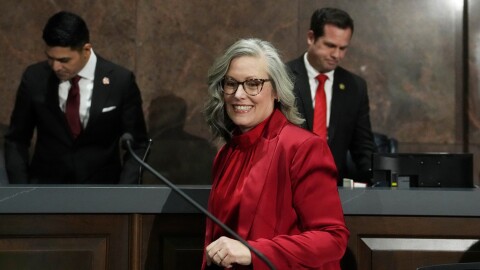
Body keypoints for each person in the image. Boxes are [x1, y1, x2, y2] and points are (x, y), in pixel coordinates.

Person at [202, 38, 349, 269]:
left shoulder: (303, 148)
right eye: (231, 83)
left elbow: (332, 239)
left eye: (253, 83)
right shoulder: (226, 153)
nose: (239, 94)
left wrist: (253, 252)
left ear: (277, 92)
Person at [4, 11, 148, 184]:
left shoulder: (120, 81)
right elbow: (16, 140)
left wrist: (124, 196)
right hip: (45, 194)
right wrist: (21, 193)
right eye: (50, 58)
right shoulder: (35, 78)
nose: (56, 67)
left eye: (64, 60)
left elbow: (138, 145)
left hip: (103, 195)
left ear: (86, 50)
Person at [287, 7, 376, 185]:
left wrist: (377, 182)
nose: (336, 55)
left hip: (333, 190)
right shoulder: (282, 77)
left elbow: (363, 147)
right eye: (330, 45)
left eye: (343, 48)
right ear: (311, 38)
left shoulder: (354, 87)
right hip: (286, 184)